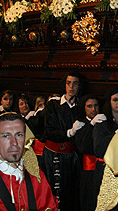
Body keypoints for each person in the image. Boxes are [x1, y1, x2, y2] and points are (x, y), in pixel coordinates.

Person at [44, 72, 85, 211]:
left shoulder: (81, 105)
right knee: (56, 191)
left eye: (75, 83)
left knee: (72, 192)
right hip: (55, 154)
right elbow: (49, 130)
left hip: (73, 156)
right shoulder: (54, 104)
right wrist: (68, 133)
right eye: (69, 83)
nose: (71, 86)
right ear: (64, 85)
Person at [74, 94, 103, 211]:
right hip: (88, 170)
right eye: (89, 106)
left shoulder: (103, 122)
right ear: (84, 108)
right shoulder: (80, 124)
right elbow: (82, 147)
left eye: (96, 106)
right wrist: (91, 125)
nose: (93, 109)